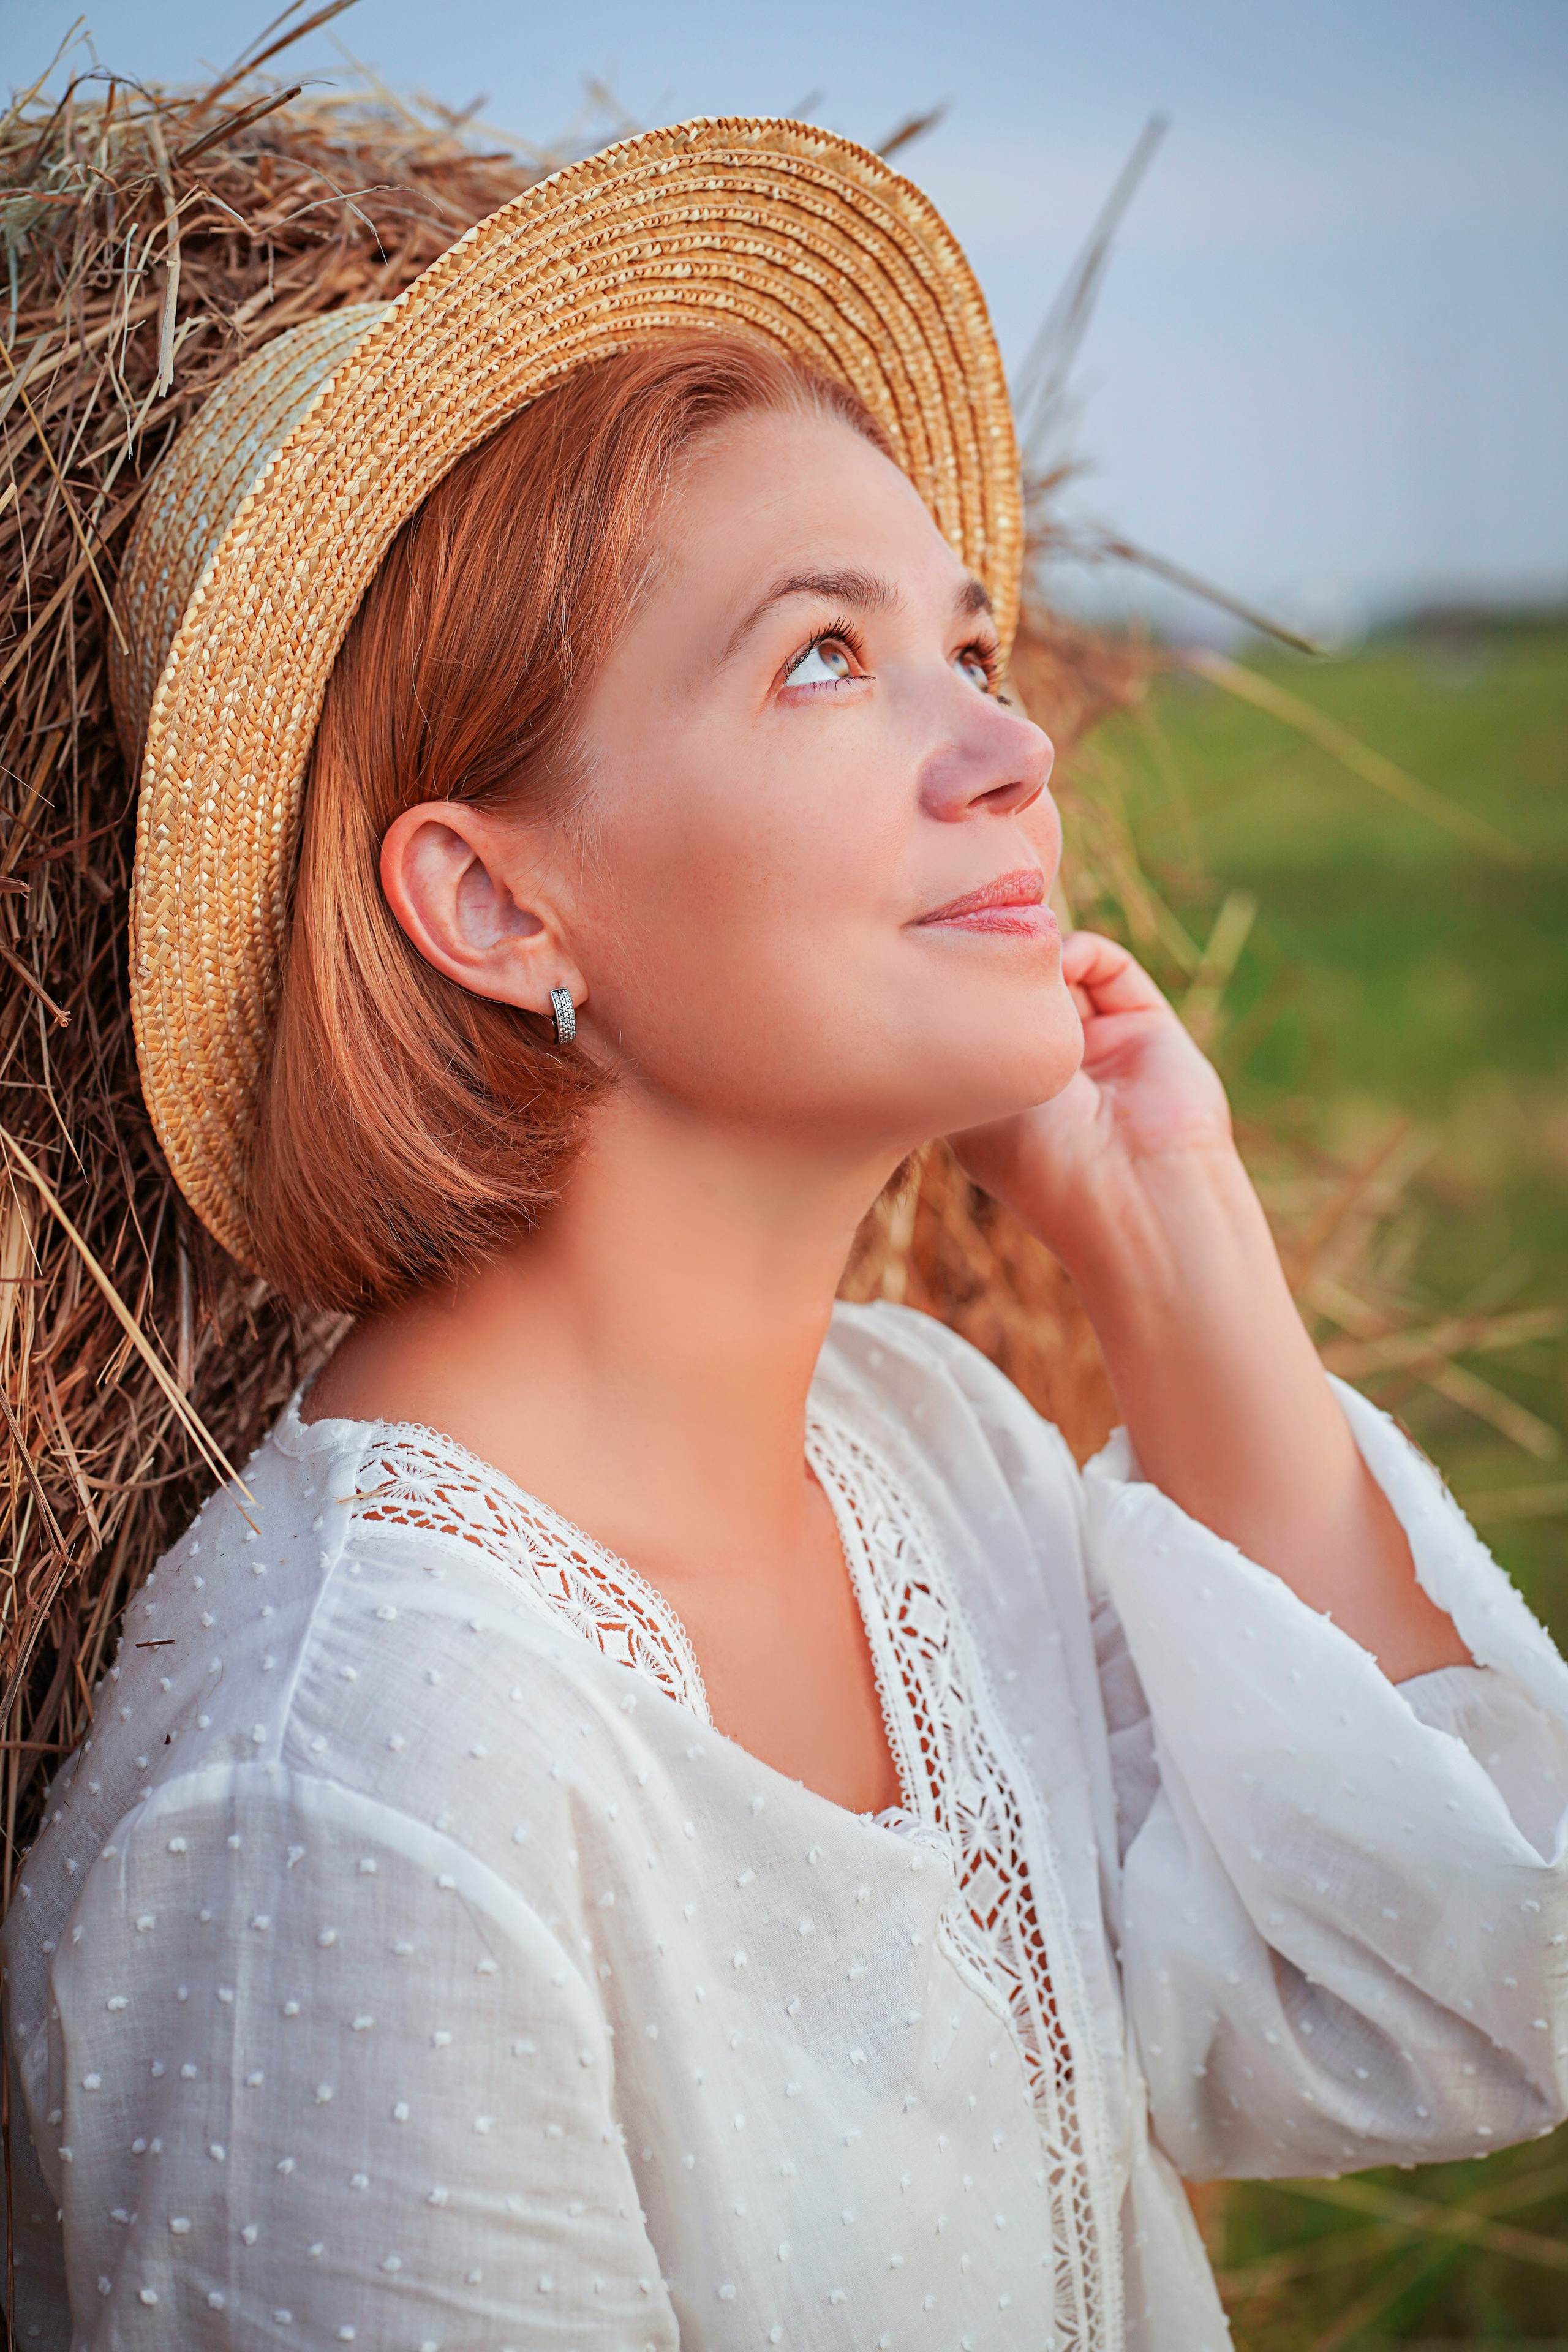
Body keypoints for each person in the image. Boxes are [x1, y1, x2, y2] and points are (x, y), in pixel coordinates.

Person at [4, 120, 1566, 2352]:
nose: (1016, 743)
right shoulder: (350, 1778)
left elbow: (1455, 2001)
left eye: (969, 640)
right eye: (826, 659)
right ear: (493, 900)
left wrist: (1174, 1247)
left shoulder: (926, 1455)